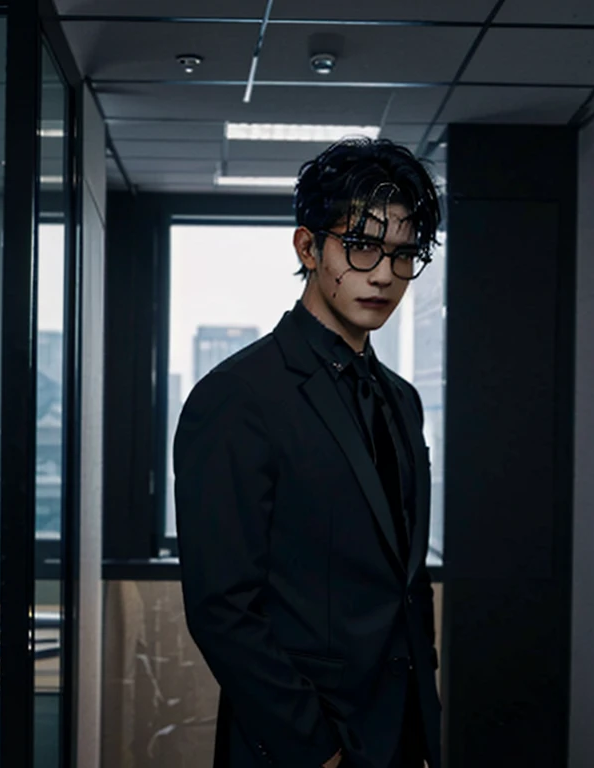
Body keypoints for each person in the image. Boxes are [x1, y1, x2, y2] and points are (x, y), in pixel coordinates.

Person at [173, 138, 443, 768]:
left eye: (403, 255)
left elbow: (405, 583)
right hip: (302, 745)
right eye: (362, 246)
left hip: (400, 735)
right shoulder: (238, 397)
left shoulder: (401, 400)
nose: (383, 274)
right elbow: (222, 608)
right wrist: (317, 750)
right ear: (308, 247)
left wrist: (423, 726)